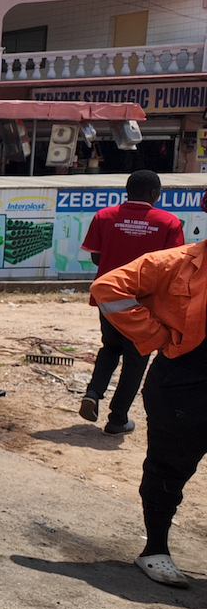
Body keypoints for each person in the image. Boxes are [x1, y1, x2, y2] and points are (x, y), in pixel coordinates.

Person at [89, 210, 207, 588]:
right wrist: (155, 337)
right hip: (183, 383)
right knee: (169, 468)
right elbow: (107, 288)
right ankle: (155, 550)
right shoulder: (173, 262)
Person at [78, 169, 183, 434]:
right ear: (154, 194)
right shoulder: (169, 222)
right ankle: (117, 419)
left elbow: (95, 258)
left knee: (110, 348)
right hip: (145, 303)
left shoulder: (104, 216)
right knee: (136, 359)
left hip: (109, 297)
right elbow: (173, 267)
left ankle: (93, 392)